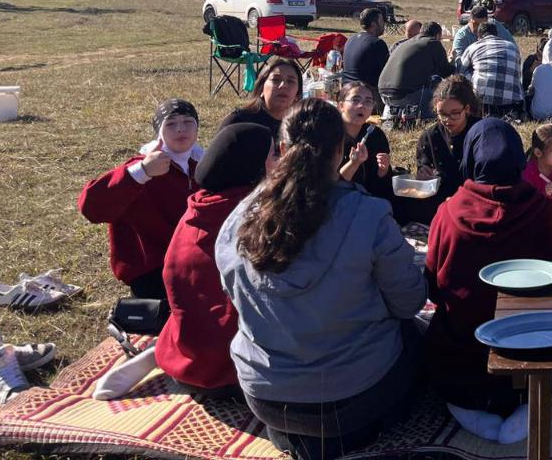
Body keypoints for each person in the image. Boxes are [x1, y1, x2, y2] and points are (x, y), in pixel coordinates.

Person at [216, 99, 426, 460]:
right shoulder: (368, 214)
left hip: (264, 396)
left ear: (282, 148)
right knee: (415, 338)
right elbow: (409, 302)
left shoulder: (242, 215)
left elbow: (232, 292)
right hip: (353, 399)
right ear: (340, 150)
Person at [424, 119, 552, 444]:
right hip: (532, 341)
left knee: (437, 341)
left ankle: (471, 407)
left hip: (466, 346)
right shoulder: (542, 210)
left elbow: (432, 285)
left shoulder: (449, 213)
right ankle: (530, 400)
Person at [157, 122, 276, 398]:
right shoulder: (251, 217)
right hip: (228, 370)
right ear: (253, 167)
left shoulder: (200, 205)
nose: (279, 162)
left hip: (182, 356)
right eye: (273, 155)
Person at [78, 99, 204, 300]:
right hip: (153, 268)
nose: (180, 129)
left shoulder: (203, 164)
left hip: (196, 260)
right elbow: (92, 208)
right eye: (171, 123)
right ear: (159, 132)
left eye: (188, 122)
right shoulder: (144, 166)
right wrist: (142, 172)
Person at [395, 76, 482, 226]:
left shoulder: (480, 131)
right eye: (442, 114)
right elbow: (424, 167)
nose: (448, 119)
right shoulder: (430, 137)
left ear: (467, 109)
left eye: (455, 113)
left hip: (473, 197)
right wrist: (424, 174)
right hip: (441, 197)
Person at [378, 21, 453, 120]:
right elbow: (446, 73)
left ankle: (392, 117)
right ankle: (423, 118)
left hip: (383, 92)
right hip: (405, 94)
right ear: (438, 35)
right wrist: (452, 61)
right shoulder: (433, 43)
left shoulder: (404, 43)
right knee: (438, 92)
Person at [337, 82, 396, 209]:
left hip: (369, 202)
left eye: (368, 102)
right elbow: (331, 187)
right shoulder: (330, 136)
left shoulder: (375, 135)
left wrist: (383, 171)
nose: (362, 106)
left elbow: (382, 188)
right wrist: (353, 164)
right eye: (355, 100)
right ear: (341, 106)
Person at [219, 57, 303, 136]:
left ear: (297, 93)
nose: (283, 85)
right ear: (261, 88)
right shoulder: (238, 121)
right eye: (275, 79)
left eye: (290, 81)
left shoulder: (300, 127)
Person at [460, 23, 524, 117]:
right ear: (496, 34)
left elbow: (461, 73)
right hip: (511, 103)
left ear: (478, 36)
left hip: (483, 104)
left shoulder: (472, 47)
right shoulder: (513, 47)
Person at [341, 8, 389, 94]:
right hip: (366, 92)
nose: (384, 24)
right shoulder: (377, 43)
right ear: (374, 24)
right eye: (381, 21)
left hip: (346, 89)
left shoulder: (351, 39)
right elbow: (387, 73)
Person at [452, 6, 516, 65]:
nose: (478, 28)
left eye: (481, 25)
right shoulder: (462, 36)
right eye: (475, 24)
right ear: (470, 20)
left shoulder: (494, 26)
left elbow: (512, 47)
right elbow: (459, 61)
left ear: (487, 20)